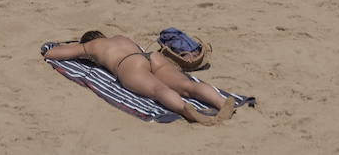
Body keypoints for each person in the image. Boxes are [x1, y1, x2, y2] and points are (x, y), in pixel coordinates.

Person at [43, 32, 234, 125]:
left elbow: (53, 54)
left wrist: (77, 47)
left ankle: (186, 110)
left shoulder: (91, 46)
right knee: (186, 85)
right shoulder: (120, 37)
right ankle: (221, 102)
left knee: (159, 90)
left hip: (129, 64)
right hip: (151, 57)